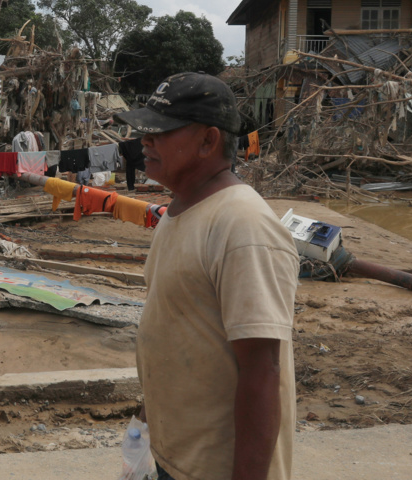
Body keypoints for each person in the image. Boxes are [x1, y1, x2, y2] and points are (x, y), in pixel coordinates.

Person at [115, 73, 298, 480]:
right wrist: (144, 427)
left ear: (207, 141)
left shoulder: (243, 226)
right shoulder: (180, 211)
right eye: (145, 131)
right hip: (169, 458)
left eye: (160, 132)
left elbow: (261, 371)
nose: (145, 141)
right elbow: (175, 329)